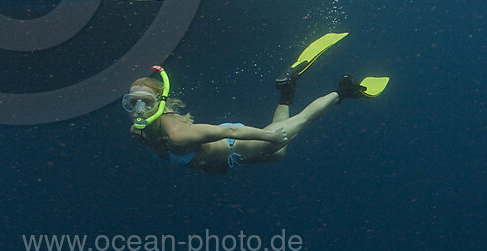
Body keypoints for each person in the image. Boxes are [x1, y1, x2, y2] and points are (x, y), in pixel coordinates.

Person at [125, 33, 388, 175]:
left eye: (145, 102)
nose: (138, 110)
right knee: (280, 154)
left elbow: (230, 132)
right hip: (229, 154)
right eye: (132, 102)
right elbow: (197, 159)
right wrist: (209, 167)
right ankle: (287, 90)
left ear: (158, 102)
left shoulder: (179, 135)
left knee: (293, 129)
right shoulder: (139, 133)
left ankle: (343, 92)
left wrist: (268, 137)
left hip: (238, 145)